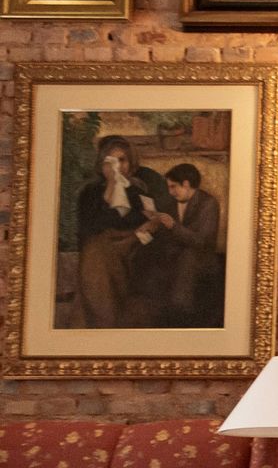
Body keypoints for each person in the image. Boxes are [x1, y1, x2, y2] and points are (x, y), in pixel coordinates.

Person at [73, 135, 164, 328]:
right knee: (96, 252)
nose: (117, 166)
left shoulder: (139, 192)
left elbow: (152, 226)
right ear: (102, 164)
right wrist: (111, 187)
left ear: (130, 163)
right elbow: (91, 227)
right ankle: (105, 319)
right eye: (111, 161)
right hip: (101, 246)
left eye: (122, 160)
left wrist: (144, 230)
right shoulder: (90, 193)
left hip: (134, 245)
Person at [138, 163, 224, 327]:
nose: (170, 192)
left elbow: (201, 242)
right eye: (169, 187)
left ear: (186, 184)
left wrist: (173, 226)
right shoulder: (171, 203)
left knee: (187, 257)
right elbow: (167, 236)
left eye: (173, 187)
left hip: (201, 257)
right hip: (174, 253)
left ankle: (180, 312)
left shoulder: (208, 204)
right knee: (149, 254)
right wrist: (153, 226)